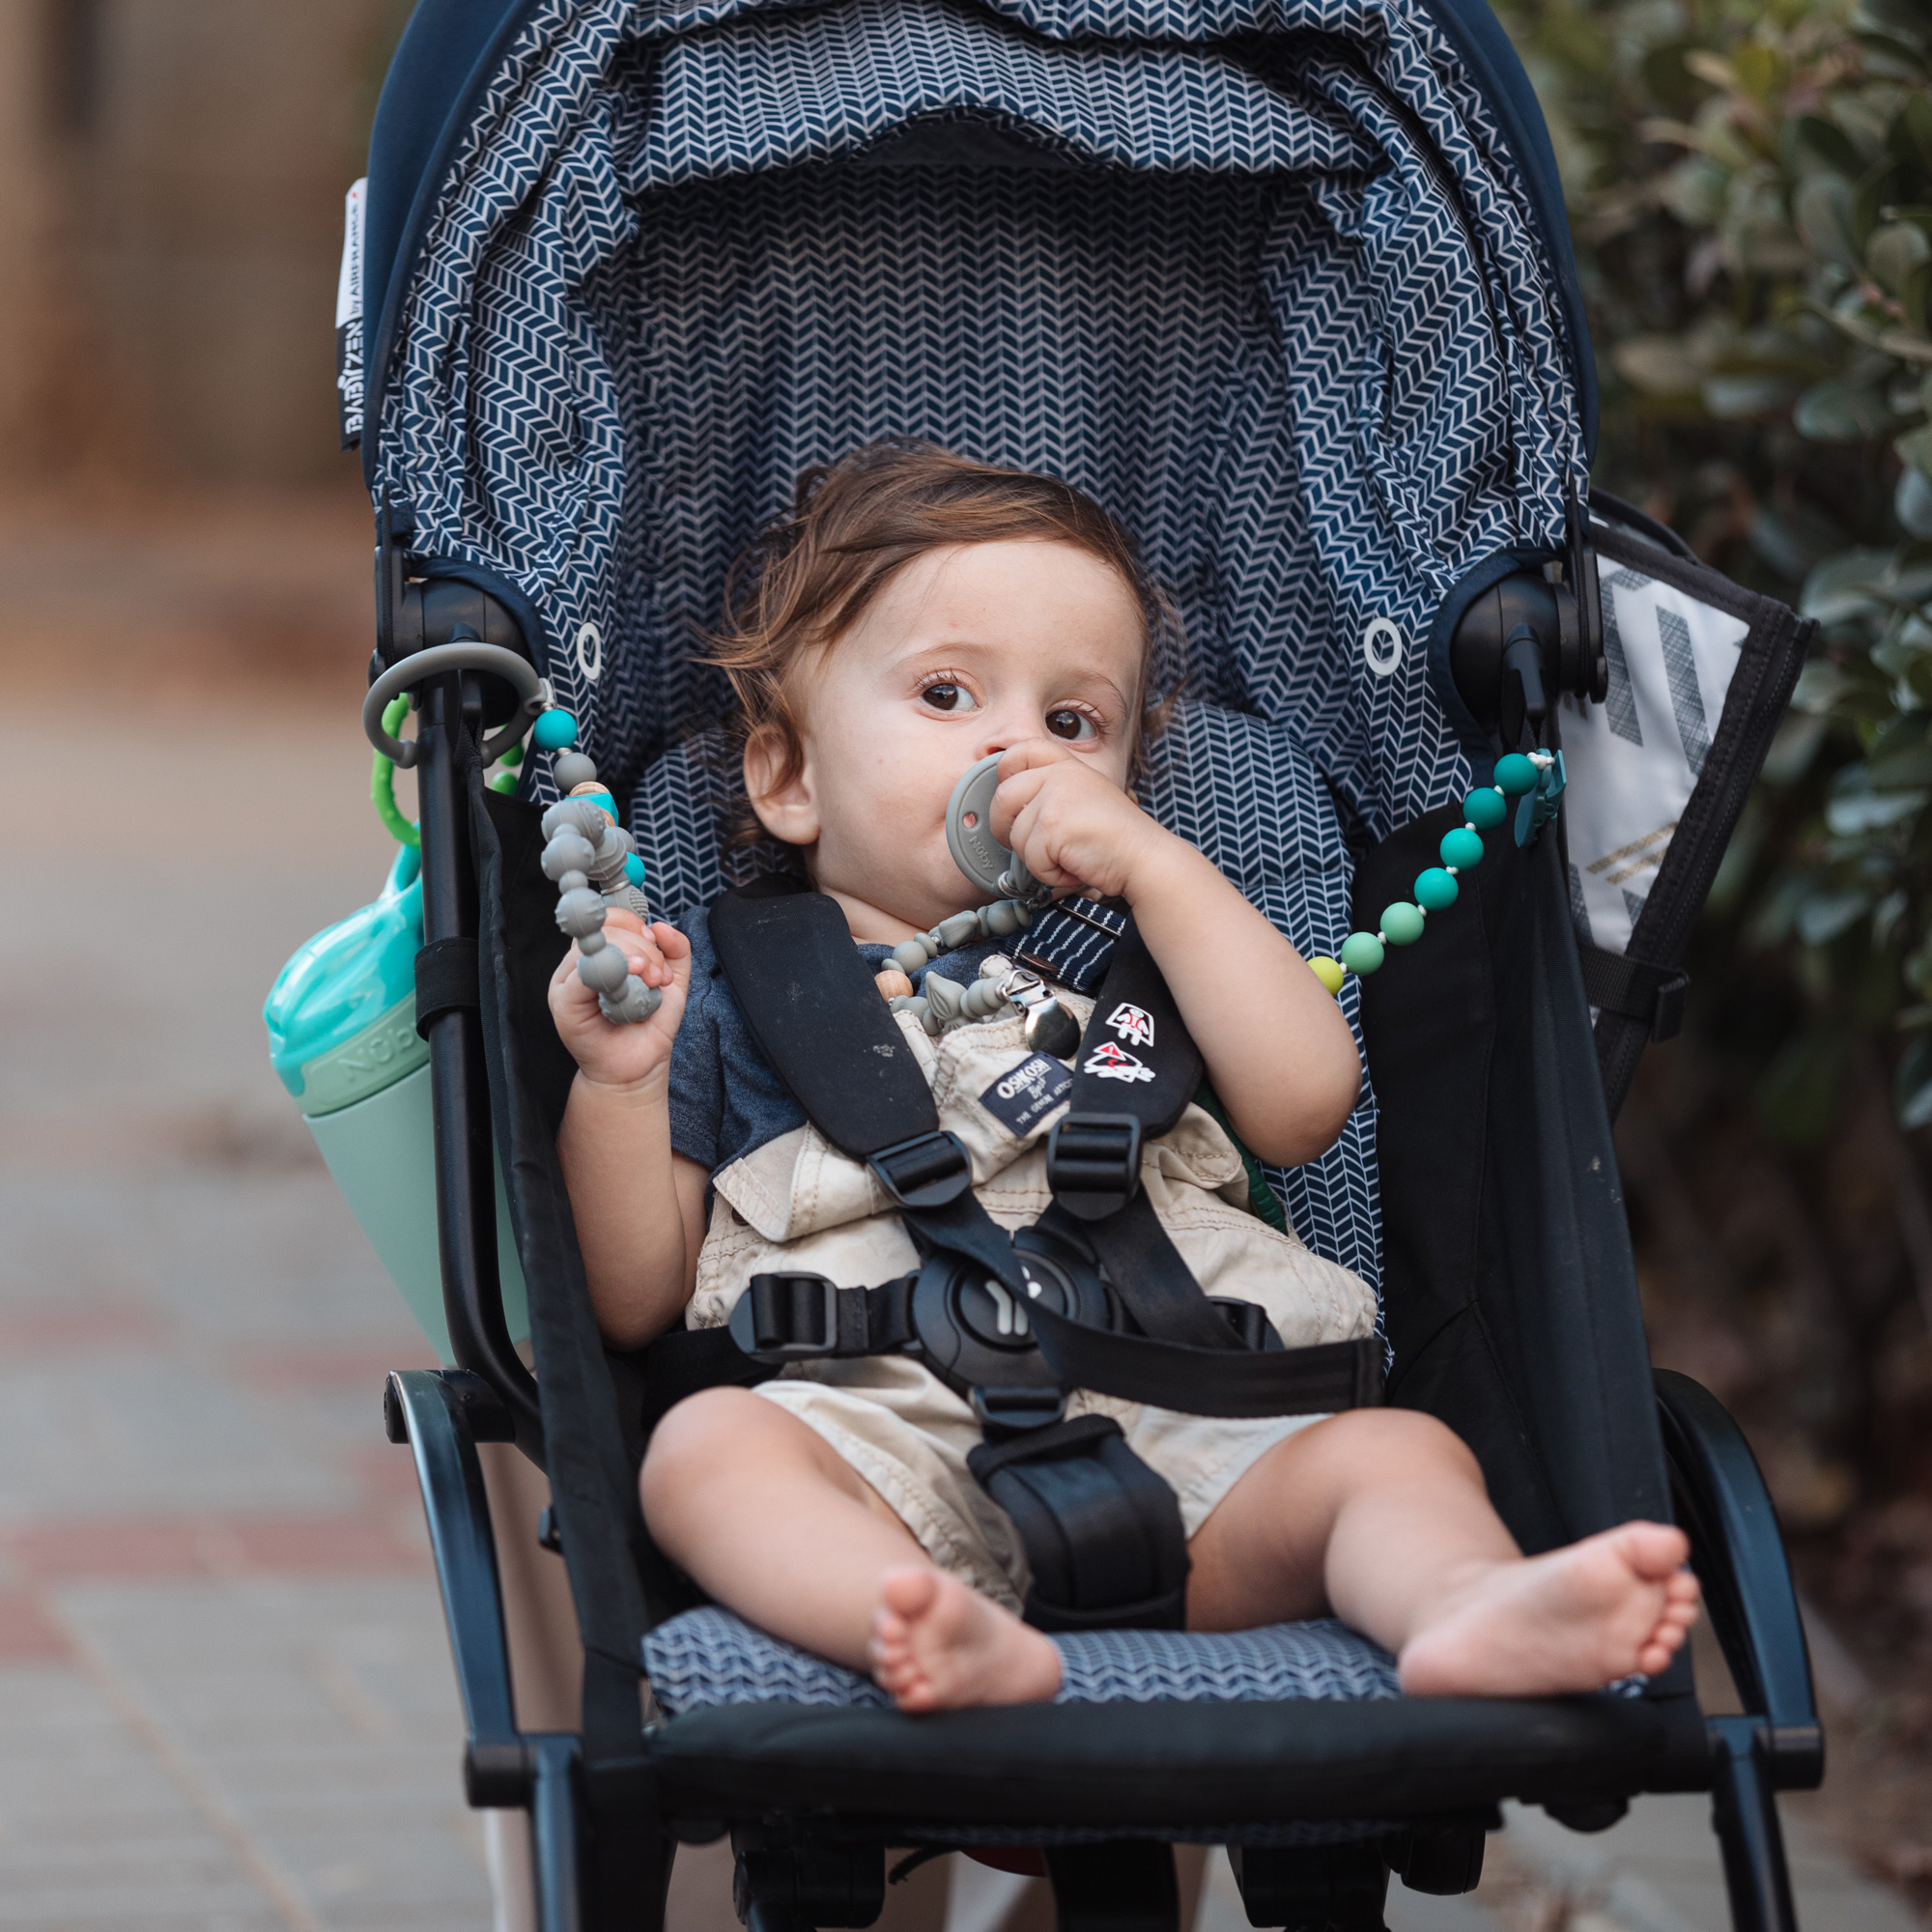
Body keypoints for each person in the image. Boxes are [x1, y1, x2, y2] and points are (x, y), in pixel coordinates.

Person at [549, 442, 1700, 1713]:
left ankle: (1463, 1604)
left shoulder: (1159, 951)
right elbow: (635, 1295)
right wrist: (617, 1082)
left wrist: (1162, 871)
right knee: (706, 1455)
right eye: (944, 695)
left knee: (1398, 1459)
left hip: (1192, 1420)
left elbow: (1307, 1106)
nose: (1015, 749)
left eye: (1072, 721)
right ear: (788, 777)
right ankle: (904, 1612)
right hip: (879, 1438)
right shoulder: (717, 980)